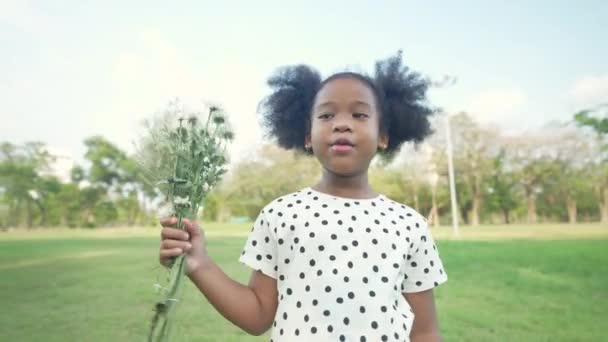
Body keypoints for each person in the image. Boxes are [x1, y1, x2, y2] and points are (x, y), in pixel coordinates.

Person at [159, 51, 448, 342]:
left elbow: (424, 332)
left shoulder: (410, 224)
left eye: (359, 114)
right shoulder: (279, 215)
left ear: (383, 136)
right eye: (326, 115)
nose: (341, 124)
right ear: (308, 136)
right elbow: (258, 316)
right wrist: (199, 264)